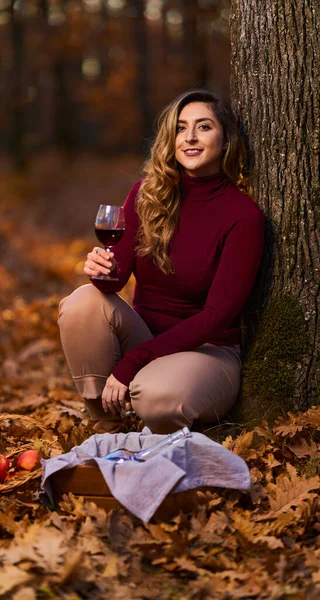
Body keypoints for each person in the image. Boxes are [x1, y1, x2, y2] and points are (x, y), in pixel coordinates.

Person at [58, 89, 264, 435]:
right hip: (147, 337)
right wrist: (101, 270)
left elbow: (216, 318)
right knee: (81, 302)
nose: (191, 137)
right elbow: (115, 277)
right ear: (171, 139)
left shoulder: (242, 216)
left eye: (204, 127)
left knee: (157, 398)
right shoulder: (147, 194)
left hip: (208, 353)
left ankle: (161, 419)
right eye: (181, 128)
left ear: (226, 140)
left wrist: (132, 363)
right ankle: (107, 426)